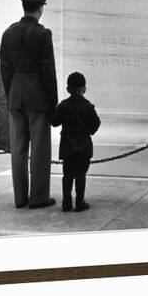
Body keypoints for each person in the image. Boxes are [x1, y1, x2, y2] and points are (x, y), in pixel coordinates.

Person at [0, 0, 58, 209]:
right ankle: (39, 197)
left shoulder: (8, 32)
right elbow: (47, 71)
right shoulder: (43, 34)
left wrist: (11, 95)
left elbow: (5, 69)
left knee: (18, 150)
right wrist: (52, 103)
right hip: (37, 98)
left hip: (15, 96)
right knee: (40, 151)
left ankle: (20, 198)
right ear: (41, 8)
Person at [50, 72, 101, 212]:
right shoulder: (88, 107)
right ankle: (80, 202)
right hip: (84, 147)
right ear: (84, 89)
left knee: (67, 176)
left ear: (68, 89)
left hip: (67, 146)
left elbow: (54, 122)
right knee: (80, 175)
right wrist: (88, 131)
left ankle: (66, 202)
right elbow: (96, 124)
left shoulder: (63, 106)